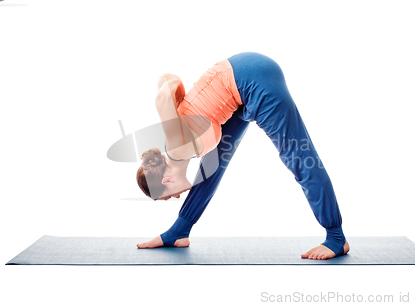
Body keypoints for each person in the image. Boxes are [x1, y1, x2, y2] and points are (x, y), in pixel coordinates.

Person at [136, 52, 349, 259]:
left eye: (167, 196)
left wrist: (176, 102)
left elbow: (164, 92)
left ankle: (336, 237)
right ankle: (178, 232)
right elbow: (168, 78)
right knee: (213, 166)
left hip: (254, 80)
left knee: (299, 157)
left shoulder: (178, 146)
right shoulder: (183, 148)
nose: (175, 197)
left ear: (166, 180)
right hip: (237, 87)